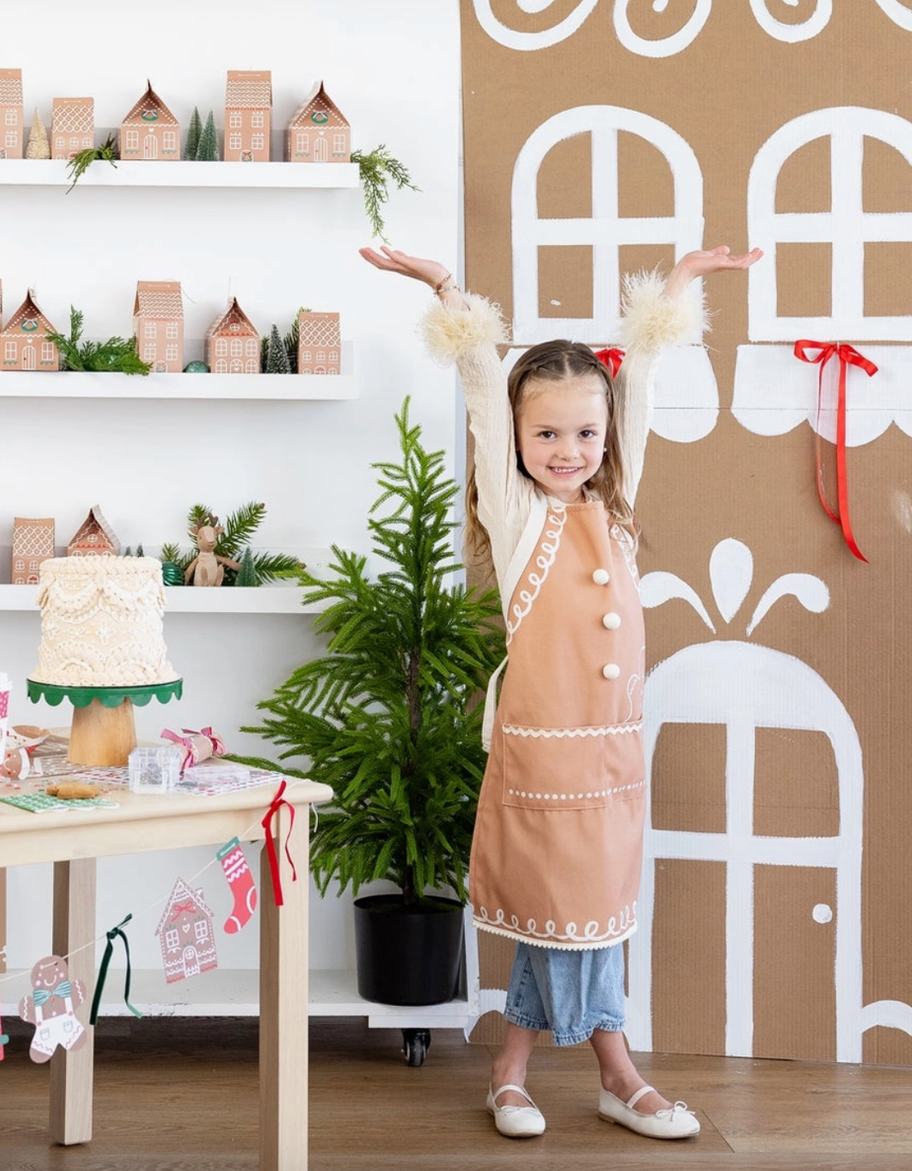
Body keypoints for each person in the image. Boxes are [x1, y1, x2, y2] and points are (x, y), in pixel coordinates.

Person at [361, 242, 762, 1141]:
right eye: (546, 434)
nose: (568, 450)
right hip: (543, 750)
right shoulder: (516, 513)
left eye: (586, 433)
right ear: (515, 439)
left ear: (608, 435)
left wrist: (679, 287)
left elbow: (641, 378)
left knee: (577, 913)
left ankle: (512, 1069)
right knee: (570, 909)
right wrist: (446, 291)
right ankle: (618, 1071)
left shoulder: (615, 505)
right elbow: (478, 381)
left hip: (612, 753)